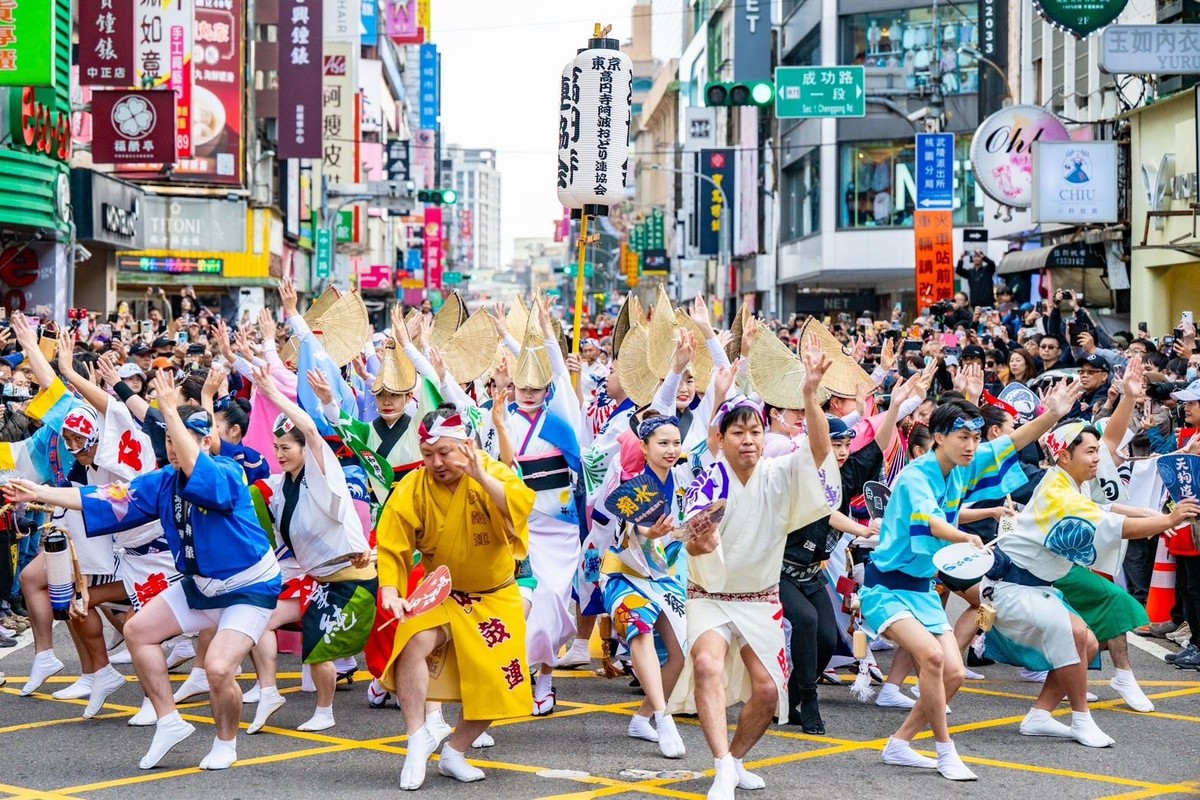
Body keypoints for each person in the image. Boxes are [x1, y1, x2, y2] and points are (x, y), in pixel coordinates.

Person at [4, 371, 281, 772]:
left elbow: (197, 469)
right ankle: (168, 721)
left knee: (220, 668)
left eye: (182, 439)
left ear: (206, 442)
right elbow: (104, 496)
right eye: (168, 440)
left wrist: (168, 410)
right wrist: (40, 492)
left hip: (248, 586)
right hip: (200, 585)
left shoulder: (227, 473)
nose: (173, 448)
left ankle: (226, 741)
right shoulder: (163, 481)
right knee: (137, 630)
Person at [860, 380, 1082, 781]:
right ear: (939, 438)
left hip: (922, 589)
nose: (971, 445)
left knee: (955, 673)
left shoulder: (961, 466)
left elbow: (1010, 442)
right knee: (932, 658)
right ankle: (946, 751)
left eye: (976, 438)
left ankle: (900, 743)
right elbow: (932, 521)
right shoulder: (915, 476)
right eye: (963, 437)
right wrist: (963, 538)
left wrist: (1053, 414)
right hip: (885, 588)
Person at [666, 354, 836, 800]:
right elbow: (688, 542)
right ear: (720, 439)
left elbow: (820, 453)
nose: (748, 440)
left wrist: (810, 395)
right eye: (738, 433)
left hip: (760, 599)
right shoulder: (707, 483)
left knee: (767, 691)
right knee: (707, 665)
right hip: (709, 595)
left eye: (755, 432)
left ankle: (737, 758)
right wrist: (699, 544)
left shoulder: (780, 473)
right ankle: (722, 765)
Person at [985, 421, 1199, 745]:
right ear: (1064, 455)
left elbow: (1103, 508)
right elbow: (1112, 524)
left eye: (1097, 451)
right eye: (1089, 451)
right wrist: (1166, 519)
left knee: (1085, 642)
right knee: (1077, 636)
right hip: (1013, 584)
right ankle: (1081, 719)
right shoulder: (1059, 493)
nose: (1097, 458)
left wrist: (1149, 515)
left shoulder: (1067, 480)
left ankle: (1040, 715)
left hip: (1036, 583)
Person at [376, 405, 535, 790]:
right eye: (427, 454)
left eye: (444, 452)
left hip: (494, 595)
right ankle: (417, 737)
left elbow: (517, 511)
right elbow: (392, 544)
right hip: (443, 591)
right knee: (413, 641)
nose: (435, 463)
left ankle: (455, 752)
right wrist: (391, 590)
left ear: (466, 446)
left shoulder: (491, 472)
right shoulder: (414, 486)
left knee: (498, 686)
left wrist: (481, 476)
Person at [243, 369, 373, 735]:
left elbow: (313, 432)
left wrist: (273, 394)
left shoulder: (323, 474)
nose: (279, 454)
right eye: (276, 447)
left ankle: (326, 711)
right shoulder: (280, 485)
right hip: (317, 580)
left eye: (286, 447)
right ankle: (268, 691)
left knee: (320, 648)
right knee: (260, 620)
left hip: (351, 579)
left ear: (304, 450)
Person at [592, 413, 691, 758]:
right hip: (623, 574)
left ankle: (643, 717)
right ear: (644, 448)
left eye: (676, 443)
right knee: (641, 629)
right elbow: (633, 528)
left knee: (681, 654)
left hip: (662, 576)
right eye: (662, 443)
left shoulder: (683, 480)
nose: (671, 449)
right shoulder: (632, 483)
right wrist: (653, 532)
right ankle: (663, 718)